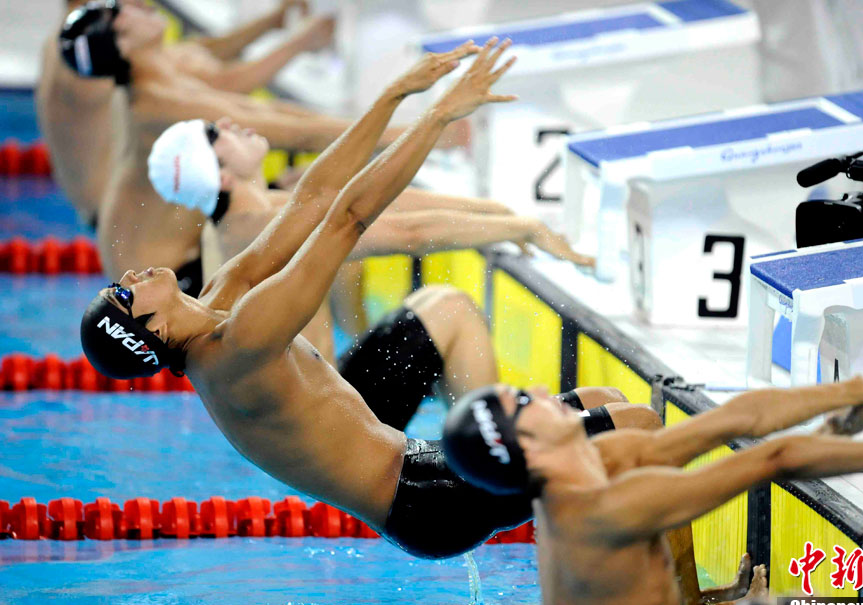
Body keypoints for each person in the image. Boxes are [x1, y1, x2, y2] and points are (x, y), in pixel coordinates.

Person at [77, 38, 629, 561]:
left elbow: (314, 196)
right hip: (428, 502)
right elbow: (346, 219)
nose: (129, 275)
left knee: (605, 400)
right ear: (150, 327)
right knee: (635, 426)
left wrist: (397, 94)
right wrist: (438, 116)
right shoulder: (236, 347)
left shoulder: (219, 297)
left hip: (422, 461)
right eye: (124, 292)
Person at [441, 377, 863, 605]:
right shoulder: (603, 511)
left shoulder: (597, 462)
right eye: (524, 401)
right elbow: (774, 459)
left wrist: (848, 391)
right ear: (528, 448)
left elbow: (731, 420)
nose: (540, 388)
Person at [145, 115, 593, 364]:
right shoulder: (259, 225)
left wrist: (500, 213)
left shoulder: (247, 217)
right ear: (221, 176)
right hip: (325, 420)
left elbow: (393, 203)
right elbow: (409, 234)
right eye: (214, 135)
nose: (227, 122)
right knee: (449, 307)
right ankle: (492, 471)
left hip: (319, 390)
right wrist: (525, 229)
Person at [52, 0, 411, 295]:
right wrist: (415, 132)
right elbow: (291, 132)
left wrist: (392, 128)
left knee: (309, 189)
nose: (135, 5)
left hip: (183, 246)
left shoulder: (151, 81)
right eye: (119, 12)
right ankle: (344, 351)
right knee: (329, 225)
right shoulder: (155, 104)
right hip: (171, 282)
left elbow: (257, 104)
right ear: (123, 43)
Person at [36, 0, 334, 226]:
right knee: (324, 205)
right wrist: (301, 43)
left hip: (128, 213)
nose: (142, 5)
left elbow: (196, 56)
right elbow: (225, 85)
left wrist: (270, 23)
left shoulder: (78, 40)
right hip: (142, 223)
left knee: (310, 188)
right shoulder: (102, 69)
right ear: (120, 31)